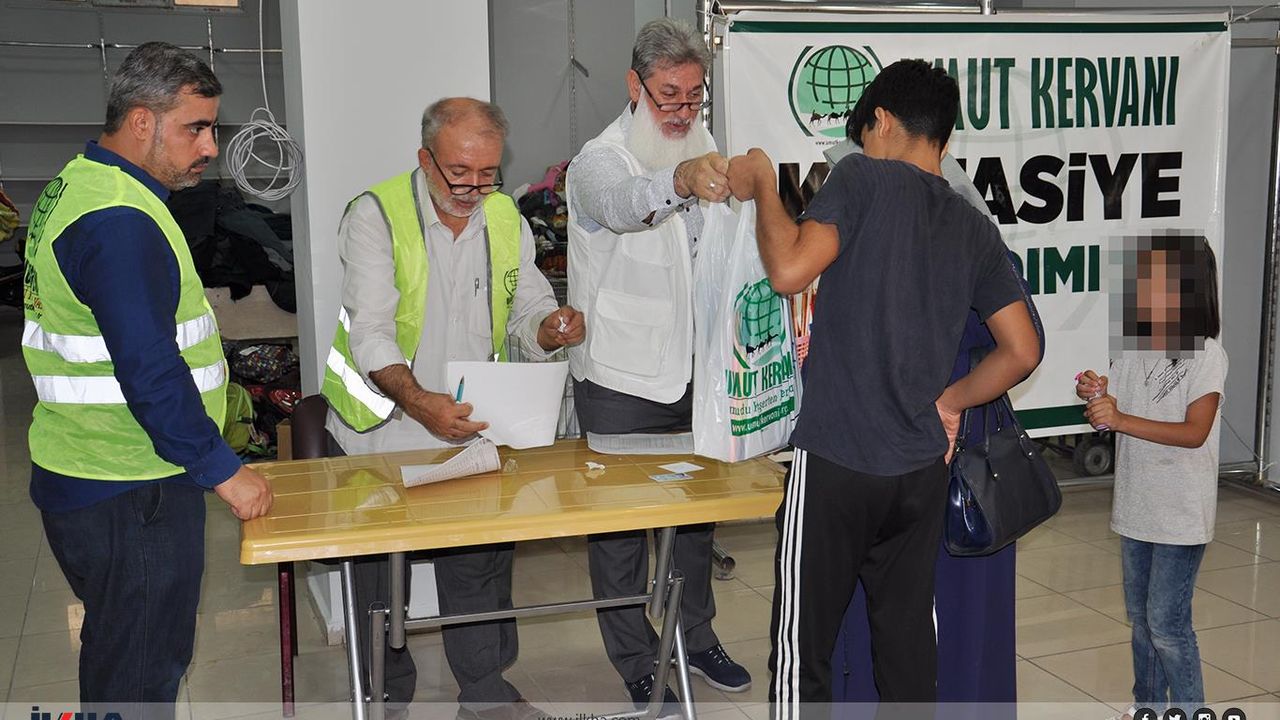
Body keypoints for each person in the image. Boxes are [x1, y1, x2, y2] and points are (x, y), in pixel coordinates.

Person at [725, 59, 1043, 714]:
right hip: (920, 470)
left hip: (838, 458)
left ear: (884, 121)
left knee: (803, 649)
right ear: (943, 139)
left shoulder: (862, 177)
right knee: (906, 646)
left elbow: (788, 270)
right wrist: (951, 401)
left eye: (865, 134)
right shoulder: (973, 226)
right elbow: (1023, 349)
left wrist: (762, 185)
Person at [20, 42, 274, 715]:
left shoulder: (80, 183)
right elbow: (149, 367)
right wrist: (222, 467)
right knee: (139, 676)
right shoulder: (119, 220)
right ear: (141, 121)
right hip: (132, 486)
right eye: (196, 128)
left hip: (87, 467)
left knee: (121, 655)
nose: (211, 147)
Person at [320, 97, 584, 719]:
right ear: (425, 158)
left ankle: (485, 691)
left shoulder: (504, 216)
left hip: (467, 425)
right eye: (459, 173)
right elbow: (371, 333)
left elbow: (525, 310)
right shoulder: (375, 215)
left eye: (488, 174)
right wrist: (419, 403)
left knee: (479, 562)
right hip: (381, 428)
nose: (473, 189)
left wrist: (549, 328)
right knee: (378, 578)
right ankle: (384, 690)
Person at [566, 18, 750, 708]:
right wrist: (679, 178)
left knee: (696, 520)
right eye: (669, 95)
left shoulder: (706, 148)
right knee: (620, 528)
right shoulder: (599, 160)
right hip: (621, 378)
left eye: (694, 97)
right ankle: (636, 656)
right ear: (634, 86)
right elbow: (621, 207)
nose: (681, 111)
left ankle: (694, 636)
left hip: (698, 373)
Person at [822, 142, 1041, 712]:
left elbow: (1023, 344)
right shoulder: (887, 245)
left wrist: (951, 402)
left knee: (936, 623)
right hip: (891, 453)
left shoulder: (961, 238)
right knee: (889, 618)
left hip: (951, 466)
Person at [1075, 235, 1226, 719]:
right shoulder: (1133, 347)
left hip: (1181, 514)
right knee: (1141, 621)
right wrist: (1096, 395)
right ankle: (1148, 707)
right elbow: (1114, 412)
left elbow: (1195, 432)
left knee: (1167, 624)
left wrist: (1120, 419)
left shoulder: (1206, 354)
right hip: (1136, 507)